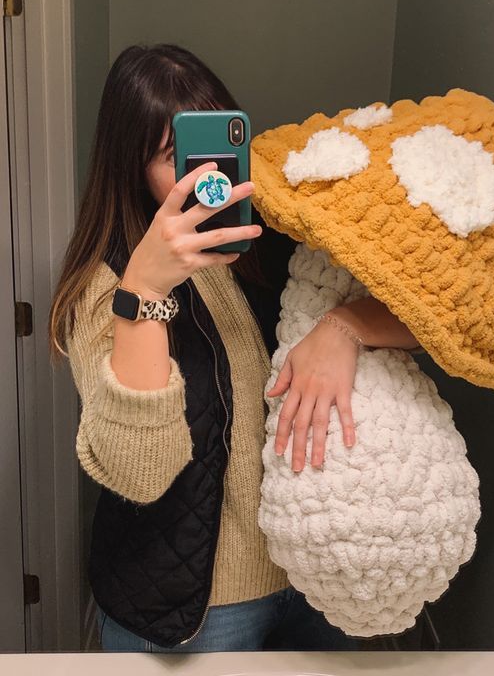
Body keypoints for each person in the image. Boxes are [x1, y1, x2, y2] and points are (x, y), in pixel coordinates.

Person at [48, 44, 420, 653]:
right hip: (194, 606)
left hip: (316, 570)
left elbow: (436, 320)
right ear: (132, 167)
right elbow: (139, 474)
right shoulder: (106, 287)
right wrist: (143, 289)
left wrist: (343, 328)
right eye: (177, 157)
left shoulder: (277, 236)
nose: (210, 173)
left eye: (221, 142)